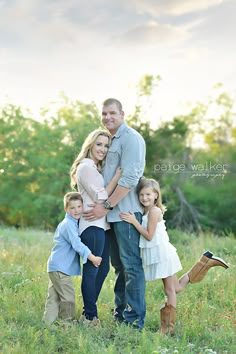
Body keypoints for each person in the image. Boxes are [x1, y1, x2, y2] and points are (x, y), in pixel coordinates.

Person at [120, 177, 229, 335]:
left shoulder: (154, 211)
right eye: (142, 195)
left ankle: (167, 329)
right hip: (158, 254)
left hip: (162, 254)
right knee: (175, 288)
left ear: (156, 195)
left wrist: (133, 222)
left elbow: (149, 236)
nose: (144, 198)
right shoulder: (146, 210)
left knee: (171, 290)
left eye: (148, 195)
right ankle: (205, 263)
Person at [83, 98, 146, 329]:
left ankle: (134, 320)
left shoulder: (131, 139)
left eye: (112, 113)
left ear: (122, 114)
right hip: (109, 217)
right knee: (119, 267)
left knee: (131, 266)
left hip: (125, 213)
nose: (108, 117)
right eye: (104, 113)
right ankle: (121, 315)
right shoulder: (109, 140)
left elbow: (129, 179)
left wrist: (105, 205)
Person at [70, 129, 122, 326]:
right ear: (90, 144)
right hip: (91, 225)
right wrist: (117, 177)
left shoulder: (95, 168)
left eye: (106, 146)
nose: (103, 149)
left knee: (103, 269)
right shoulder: (85, 167)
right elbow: (102, 197)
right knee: (93, 270)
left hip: (102, 226)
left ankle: (87, 313)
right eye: (99, 144)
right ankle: (91, 316)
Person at [42, 192, 102, 326]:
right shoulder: (69, 224)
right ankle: (66, 324)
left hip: (55, 266)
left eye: (79, 206)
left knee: (54, 297)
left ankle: (48, 324)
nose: (76, 210)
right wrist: (92, 257)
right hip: (60, 268)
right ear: (66, 209)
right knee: (68, 297)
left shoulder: (72, 222)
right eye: (72, 208)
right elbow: (77, 244)